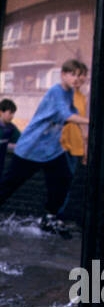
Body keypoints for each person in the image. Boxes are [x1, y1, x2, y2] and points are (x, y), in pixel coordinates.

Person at [0, 59, 89, 236]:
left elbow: (72, 112)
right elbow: (65, 114)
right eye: (73, 74)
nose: (77, 78)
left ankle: (50, 217)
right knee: (9, 185)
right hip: (32, 148)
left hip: (51, 149)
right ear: (63, 74)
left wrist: (83, 130)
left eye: (80, 75)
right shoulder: (57, 91)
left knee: (63, 179)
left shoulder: (69, 92)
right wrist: (91, 122)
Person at [58, 75, 87, 221]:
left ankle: (58, 215)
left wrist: (85, 147)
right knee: (60, 180)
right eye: (76, 75)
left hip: (76, 145)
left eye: (82, 76)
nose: (79, 79)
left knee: (68, 181)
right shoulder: (62, 96)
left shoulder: (82, 98)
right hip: (61, 144)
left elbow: (83, 124)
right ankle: (53, 215)